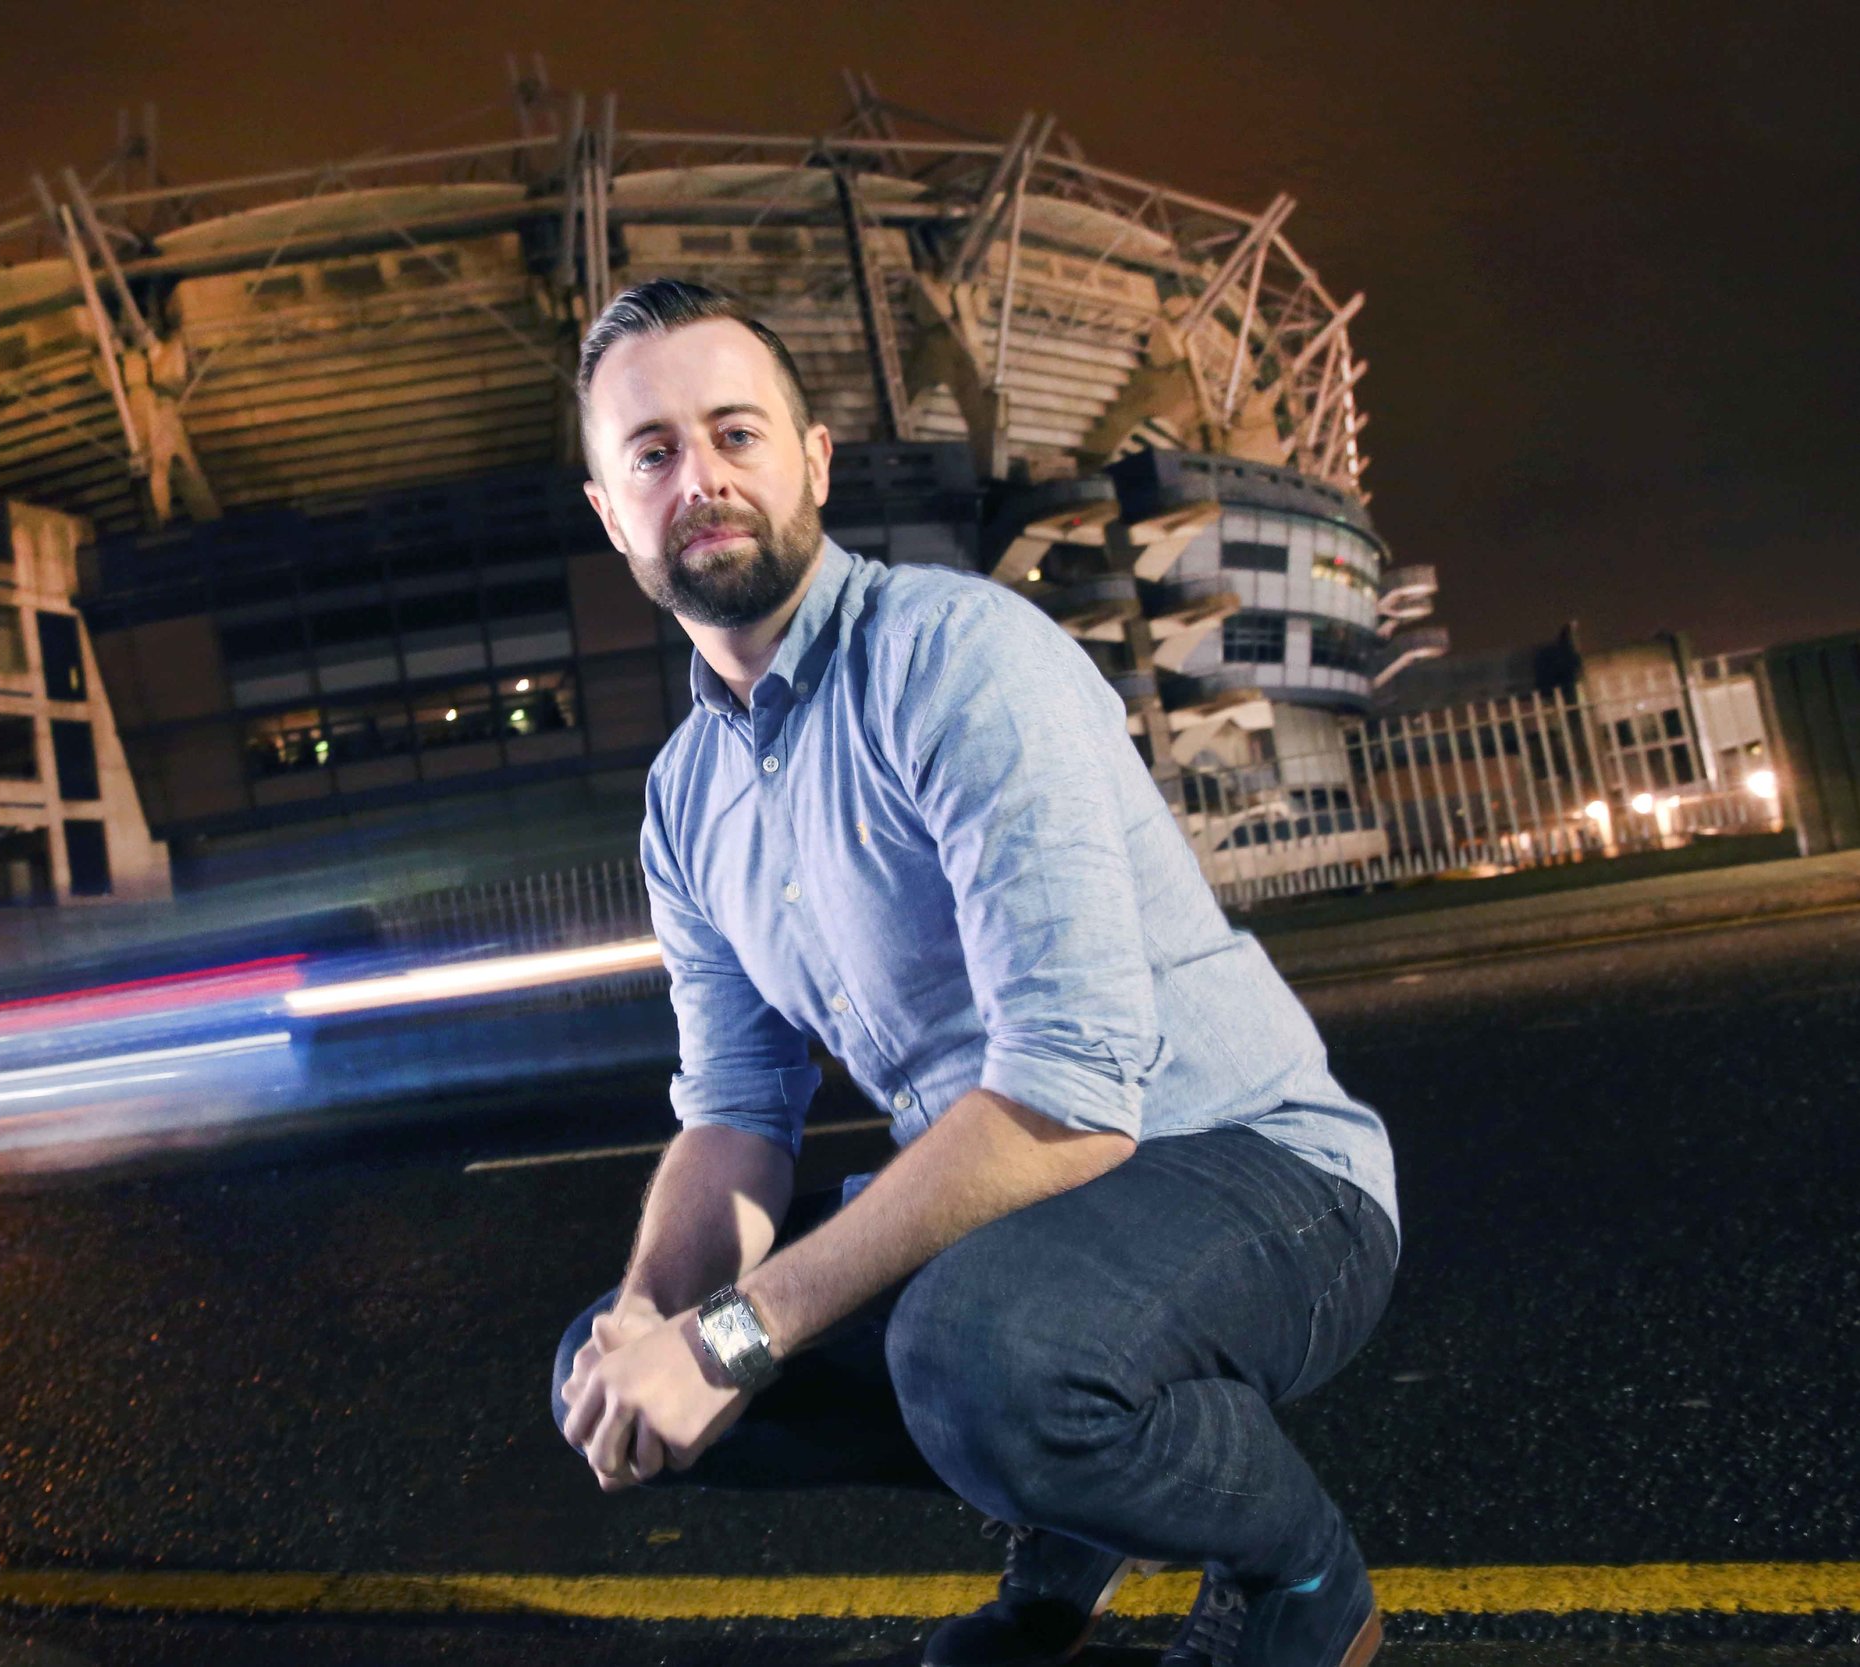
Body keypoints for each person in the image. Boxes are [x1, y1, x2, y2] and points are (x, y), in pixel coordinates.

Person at [549, 279, 1399, 1667]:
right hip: (1031, 1209)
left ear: (813, 461)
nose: (699, 477)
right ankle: (1070, 1517)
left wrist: (735, 1336)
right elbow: (735, 1114)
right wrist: (656, 1316)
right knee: (601, 1371)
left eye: (735, 433)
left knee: (978, 1353)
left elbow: (1072, 1095)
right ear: (609, 512)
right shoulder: (684, 799)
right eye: (651, 452)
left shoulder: (957, 659)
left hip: (1253, 1167)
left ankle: (1302, 1578)